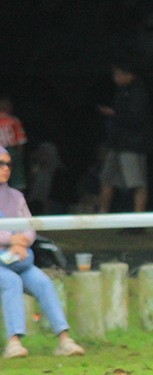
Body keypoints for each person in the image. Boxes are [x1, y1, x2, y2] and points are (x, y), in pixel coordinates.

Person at [0, 146, 85, 359]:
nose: (6, 168)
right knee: (11, 282)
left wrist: (21, 242)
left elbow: (29, 226)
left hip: (18, 259)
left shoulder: (16, 196)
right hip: (6, 265)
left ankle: (64, 339)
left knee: (43, 282)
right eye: (0, 164)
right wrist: (11, 239)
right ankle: (14, 342)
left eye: (8, 164)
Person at [97, 60, 153, 216]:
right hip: (116, 143)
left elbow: (136, 119)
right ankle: (102, 216)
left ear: (130, 74)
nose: (116, 78)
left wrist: (114, 114)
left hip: (132, 145)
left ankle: (138, 220)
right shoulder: (120, 91)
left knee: (137, 183)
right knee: (106, 179)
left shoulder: (139, 92)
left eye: (119, 74)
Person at [0, 94, 29, 191]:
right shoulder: (14, 120)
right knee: (17, 180)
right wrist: (20, 155)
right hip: (11, 151)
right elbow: (20, 141)